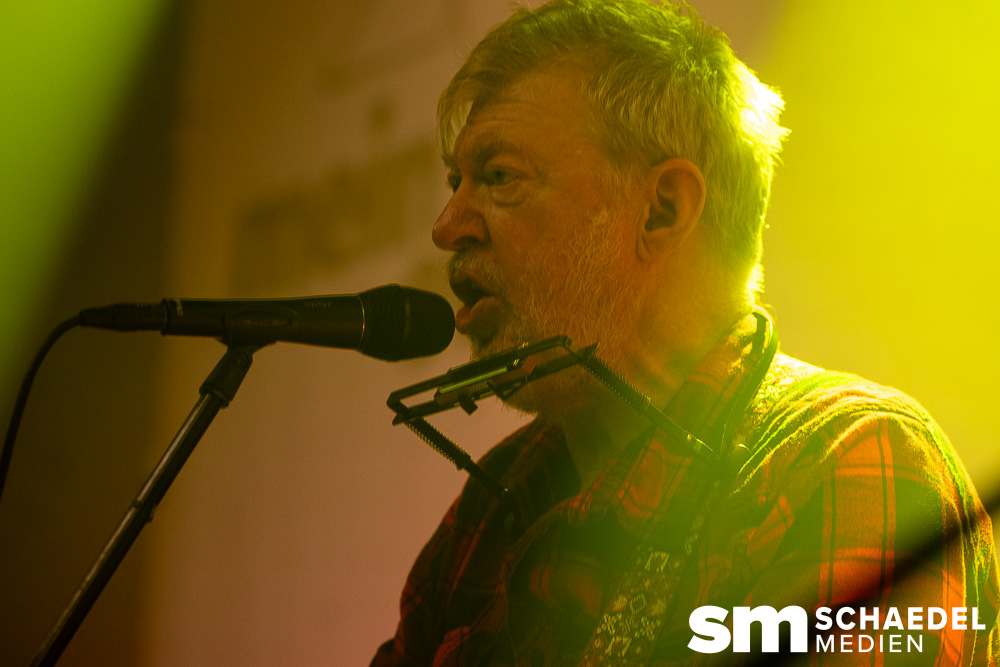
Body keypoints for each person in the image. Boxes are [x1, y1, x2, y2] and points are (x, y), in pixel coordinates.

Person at [371, 0, 1000, 664]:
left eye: (499, 177)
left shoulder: (845, 455)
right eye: (455, 182)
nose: (447, 227)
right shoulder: (489, 508)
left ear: (662, 210)